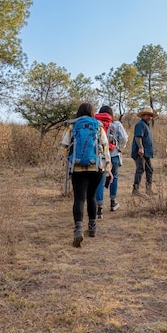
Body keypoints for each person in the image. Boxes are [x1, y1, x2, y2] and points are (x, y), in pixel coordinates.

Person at [60, 103, 112, 247]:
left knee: (79, 198)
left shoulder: (72, 126)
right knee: (91, 197)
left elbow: (63, 148)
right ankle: (92, 227)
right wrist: (108, 169)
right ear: (92, 112)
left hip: (77, 168)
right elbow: (105, 148)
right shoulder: (98, 125)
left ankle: (78, 230)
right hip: (95, 168)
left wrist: (71, 156)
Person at [95, 105, 128, 218]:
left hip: (100, 157)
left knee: (100, 180)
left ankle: (99, 209)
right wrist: (119, 147)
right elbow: (124, 138)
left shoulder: (96, 123)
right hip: (113, 155)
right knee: (114, 177)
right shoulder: (117, 124)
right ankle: (113, 202)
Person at [131, 106, 156, 196]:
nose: (149, 117)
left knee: (150, 170)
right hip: (140, 152)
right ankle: (135, 190)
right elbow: (138, 137)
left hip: (147, 153)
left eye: (150, 115)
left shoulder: (146, 125)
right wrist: (141, 148)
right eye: (147, 115)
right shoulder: (140, 124)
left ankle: (148, 189)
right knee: (140, 169)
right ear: (143, 116)